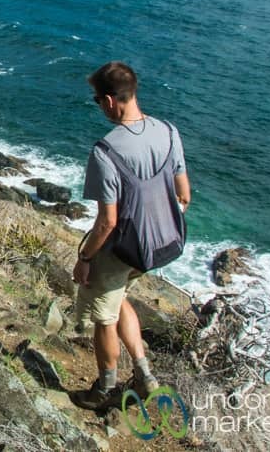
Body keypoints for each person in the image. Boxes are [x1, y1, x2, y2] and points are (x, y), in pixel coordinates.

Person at [72, 61, 191, 410]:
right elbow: (184, 195)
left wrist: (84, 259)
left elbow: (107, 221)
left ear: (110, 101)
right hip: (157, 246)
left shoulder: (106, 151)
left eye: (97, 100)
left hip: (121, 248)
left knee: (103, 318)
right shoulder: (169, 131)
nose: (98, 106)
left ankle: (105, 390)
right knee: (120, 298)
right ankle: (144, 374)